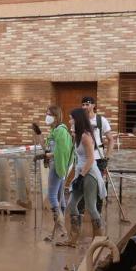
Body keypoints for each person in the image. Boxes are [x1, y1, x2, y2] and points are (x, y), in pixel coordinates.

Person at [57, 108, 107, 247]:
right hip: (80, 172)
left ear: (77, 119)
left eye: (71, 118)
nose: (69, 120)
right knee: (72, 204)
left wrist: (81, 177)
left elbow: (91, 159)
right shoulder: (77, 135)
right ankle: (73, 239)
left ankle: (99, 239)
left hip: (90, 173)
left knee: (91, 206)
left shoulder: (86, 136)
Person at [37, 106, 72, 240]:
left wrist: (49, 155)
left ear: (56, 116)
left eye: (49, 114)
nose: (47, 116)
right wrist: (39, 135)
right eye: (46, 114)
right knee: (60, 197)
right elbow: (46, 148)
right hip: (55, 165)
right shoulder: (54, 131)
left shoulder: (61, 131)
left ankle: (62, 227)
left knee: (52, 196)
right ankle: (60, 230)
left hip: (58, 166)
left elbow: (62, 152)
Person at [78, 96, 113, 216]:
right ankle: (80, 213)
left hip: (98, 158)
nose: (84, 107)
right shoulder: (79, 120)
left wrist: (106, 158)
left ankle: (97, 214)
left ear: (93, 105)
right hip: (83, 159)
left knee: (98, 184)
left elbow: (111, 140)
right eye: (83, 105)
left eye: (87, 104)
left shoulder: (101, 120)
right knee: (81, 183)